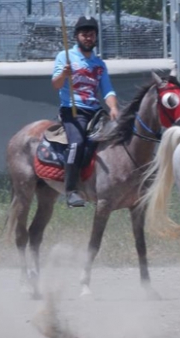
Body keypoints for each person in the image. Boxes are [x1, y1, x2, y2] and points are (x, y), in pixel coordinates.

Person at [52, 15, 119, 207]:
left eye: (91, 34)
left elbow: (107, 90)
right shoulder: (65, 57)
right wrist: (64, 75)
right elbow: (55, 84)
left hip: (95, 112)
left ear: (96, 37)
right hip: (73, 110)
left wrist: (113, 107)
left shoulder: (99, 64)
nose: (88, 37)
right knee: (77, 143)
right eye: (84, 34)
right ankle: (71, 190)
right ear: (76, 36)